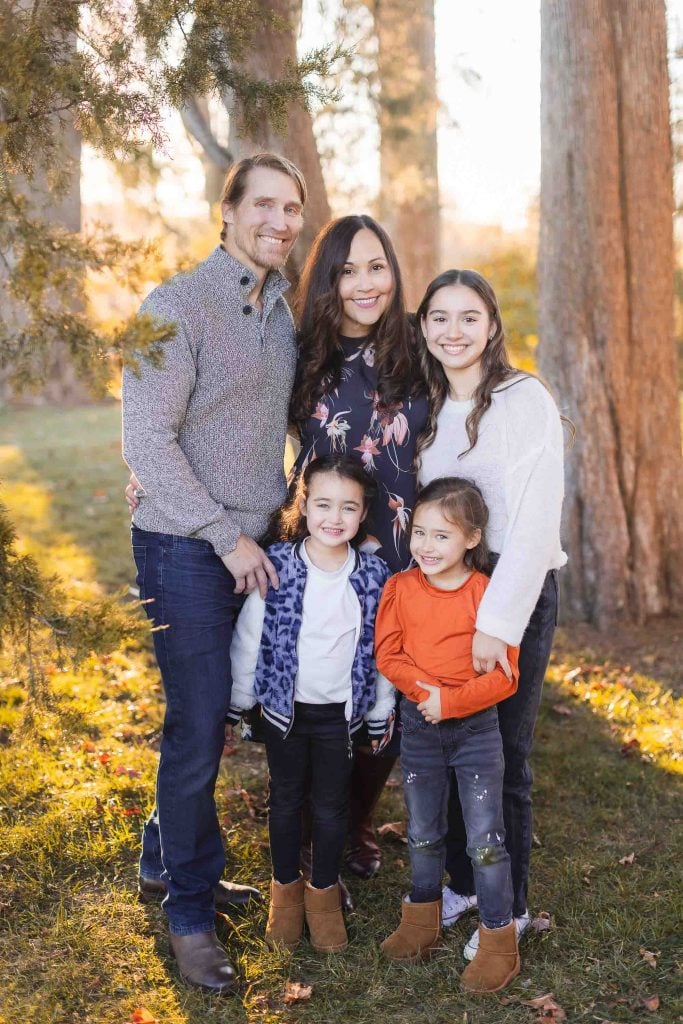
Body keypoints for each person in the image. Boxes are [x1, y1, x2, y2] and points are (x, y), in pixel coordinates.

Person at [121, 152, 307, 994]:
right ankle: (191, 917)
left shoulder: (279, 314)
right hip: (186, 547)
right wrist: (221, 534)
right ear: (225, 211)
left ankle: (165, 860)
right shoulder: (175, 304)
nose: (280, 219)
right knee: (197, 728)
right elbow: (146, 442)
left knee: (215, 720)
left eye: (292, 208)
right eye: (264, 203)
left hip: (254, 544)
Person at [414, 269, 566, 961]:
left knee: (504, 757)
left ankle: (512, 904)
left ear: (491, 324)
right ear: (422, 328)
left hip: (511, 592)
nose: (453, 331)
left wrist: (496, 624)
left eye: (467, 317)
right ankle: (461, 883)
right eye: (438, 318)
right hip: (442, 594)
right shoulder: (424, 406)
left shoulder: (522, 398)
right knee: (449, 747)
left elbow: (534, 525)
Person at [289, 215, 429, 880]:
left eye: (377, 267)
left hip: (404, 556)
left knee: (390, 703)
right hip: (325, 552)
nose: (365, 283)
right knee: (325, 696)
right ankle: (318, 833)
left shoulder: (416, 351)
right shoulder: (302, 356)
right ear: (328, 279)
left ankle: (355, 821)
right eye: (348, 270)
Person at [226, 455, 395, 953]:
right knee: (285, 801)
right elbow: (249, 638)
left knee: (330, 806)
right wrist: (239, 702)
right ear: (304, 504)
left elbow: (380, 649)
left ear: (363, 514)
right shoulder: (277, 564)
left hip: (339, 718)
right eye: (322, 504)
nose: (334, 518)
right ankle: (285, 898)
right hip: (285, 712)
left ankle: (322, 898)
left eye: (348, 508)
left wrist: (381, 708)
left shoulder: (372, 575)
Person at [376, 477, 521, 993]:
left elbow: (506, 675)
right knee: (422, 831)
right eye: (420, 533)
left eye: (442, 535)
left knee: (485, 840)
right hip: (420, 727)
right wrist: (425, 696)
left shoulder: (488, 597)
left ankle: (499, 939)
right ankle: (422, 920)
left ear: (471, 539)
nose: (426, 546)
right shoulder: (400, 589)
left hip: (476, 731)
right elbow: (388, 654)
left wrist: (451, 702)